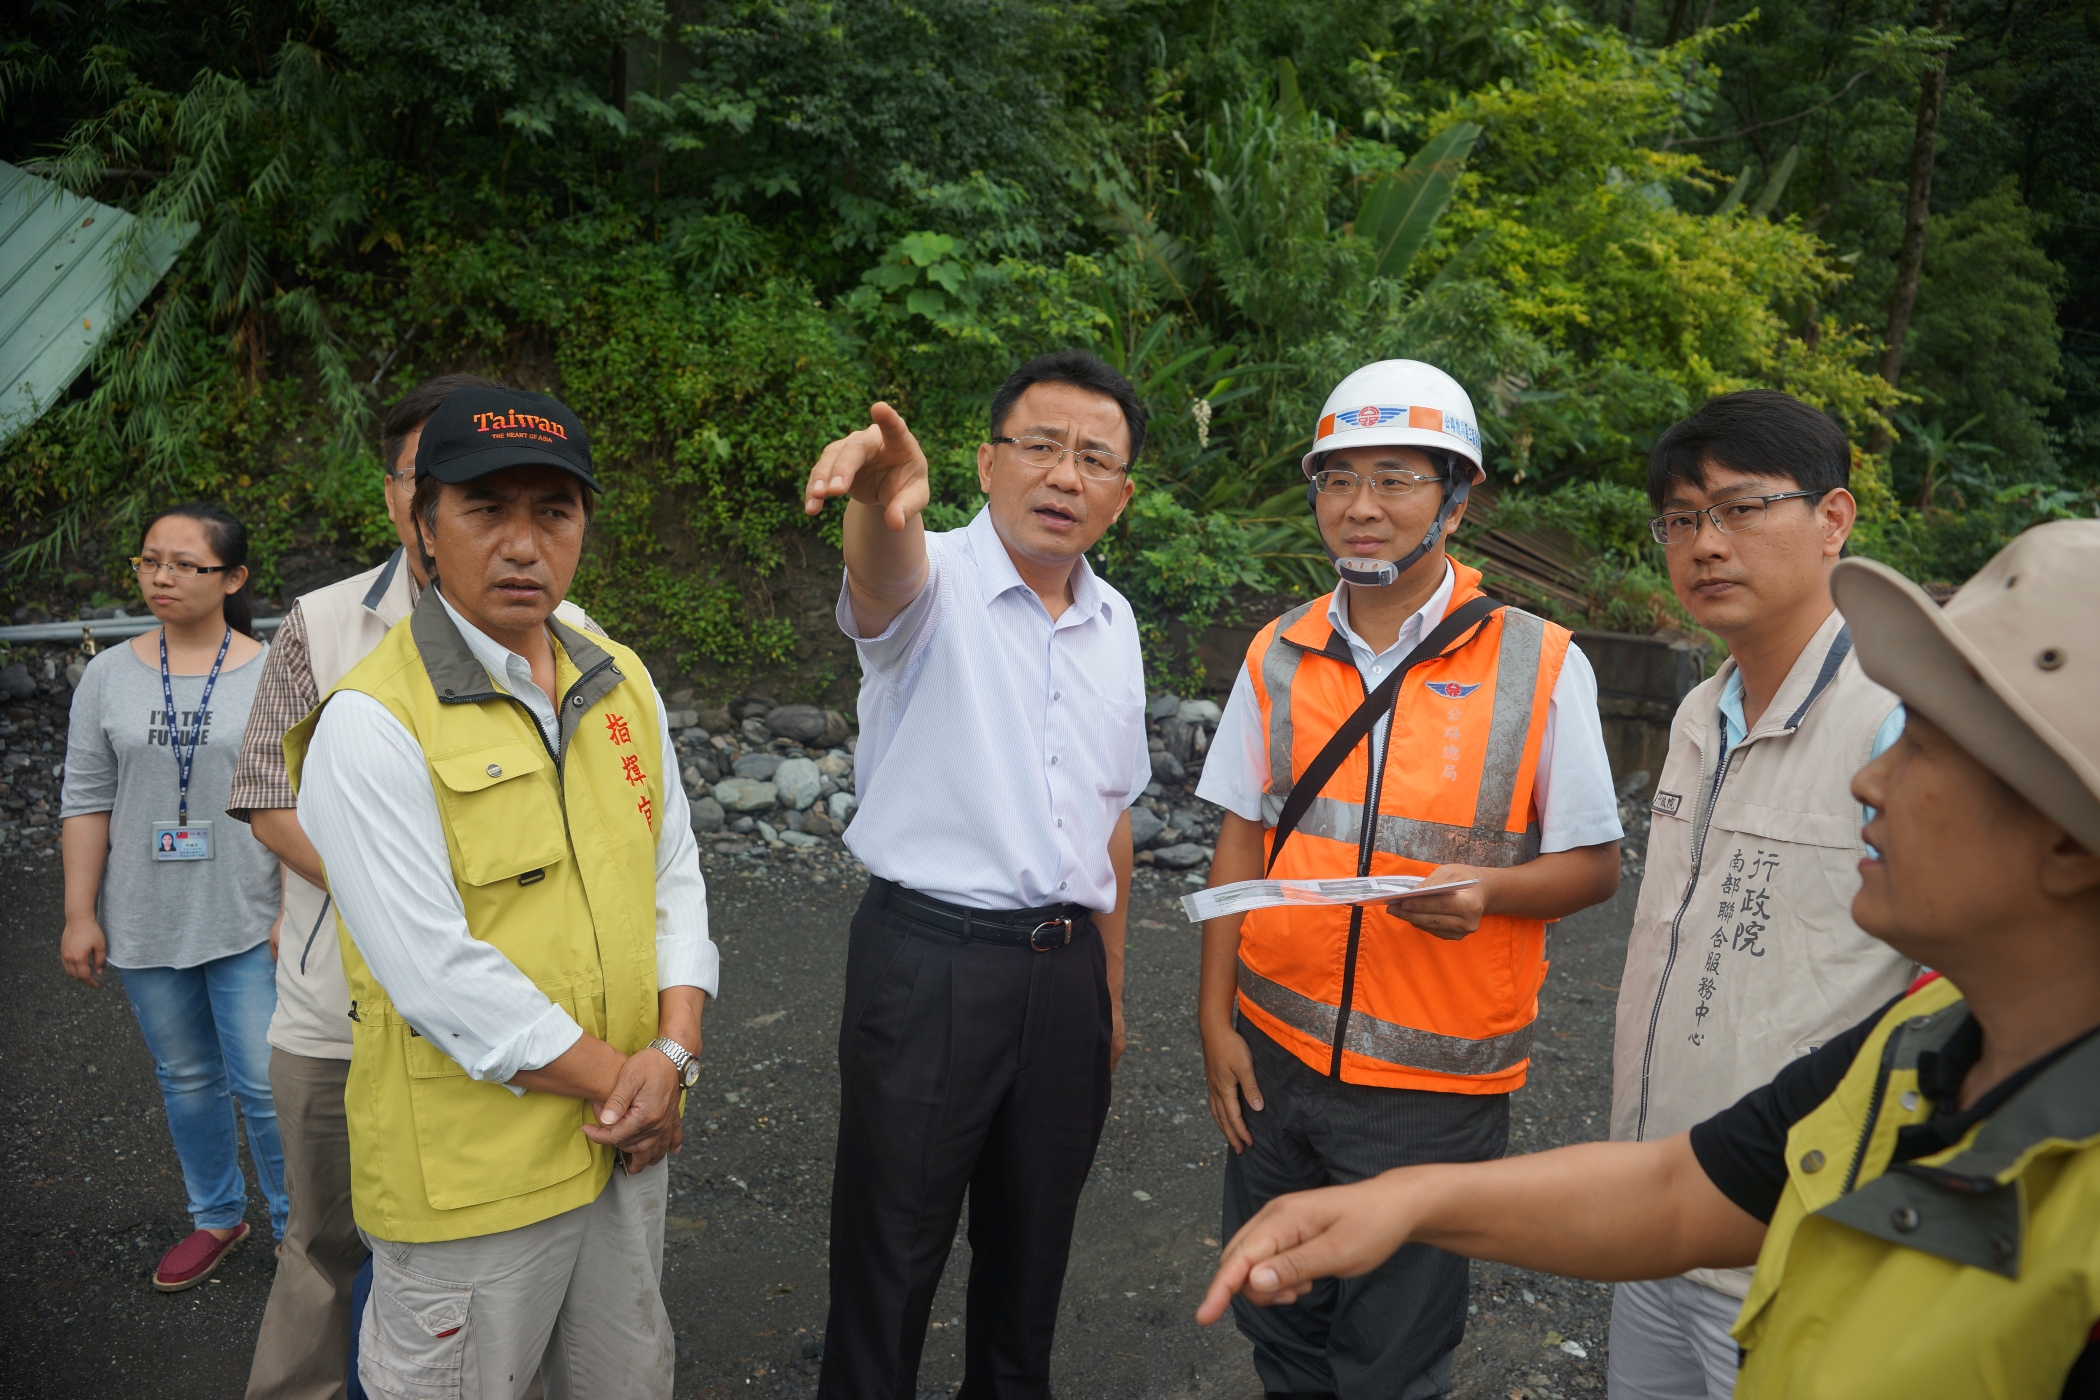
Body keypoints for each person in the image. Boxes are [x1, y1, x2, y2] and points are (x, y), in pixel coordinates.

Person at [1196, 518, 2100, 1398]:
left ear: (2067, 843)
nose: (1869, 779)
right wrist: (1407, 1206)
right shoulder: (1913, 1048)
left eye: (1924, 748)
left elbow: (1588, 872)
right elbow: (1675, 1191)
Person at [1191, 359, 1623, 1399]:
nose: (1361, 508)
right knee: (1279, 1321)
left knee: (1392, 1358)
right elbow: (1240, 844)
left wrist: (1488, 894)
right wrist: (1215, 1022)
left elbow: (1595, 866)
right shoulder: (1279, 651)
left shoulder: (1543, 662)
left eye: (1395, 478)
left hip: (1433, 1088)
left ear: (1456, 497)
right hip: (1279, 1057)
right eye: (1339, 480)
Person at [285, 385, 716, 1400]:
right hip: (474, 1179)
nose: (523, 542)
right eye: (487, 508)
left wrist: (676, 1047)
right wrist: (635, 1076)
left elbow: (674, 870)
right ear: (424, 525)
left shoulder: (617, 678)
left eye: (553, 511)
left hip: (618, 1143)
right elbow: (435, 971)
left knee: (622, 1379)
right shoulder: (372, 721)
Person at [228, 373, 601, 1400]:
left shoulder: (573, 633)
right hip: (335, 1005)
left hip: (508, 1007)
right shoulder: (321, 618)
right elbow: (265, 793)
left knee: (499, 1260)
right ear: (410, 495)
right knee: (322, 1240)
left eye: (539, 501)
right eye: (440, 480)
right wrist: (397, 891)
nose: (511, 527)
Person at [798, 349, 1152, 1399]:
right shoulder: (936, 574)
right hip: (931, 962)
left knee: (1031, 1264)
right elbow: (881, 569)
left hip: (1064, 977)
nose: (1065, 475)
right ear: (987, 462)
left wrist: (1111, 989)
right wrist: (877, 496)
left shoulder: (1115, 622)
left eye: (1095, 459)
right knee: (889, 1263)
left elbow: (1111, 818)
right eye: (1040, 446)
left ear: (1122, 497)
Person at [1607, 390, 1914, 1399]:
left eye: (1741, 509)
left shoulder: (1897, 724)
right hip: (1654, 1213)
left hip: (1805, 1240)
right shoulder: (1702, 708)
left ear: (1835, 518)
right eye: (1683, 518)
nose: (1705, 543)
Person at [59, 502, 288, 1291]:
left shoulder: (273, 671)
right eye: (150, 560)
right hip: (144, 916)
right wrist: (80, 913)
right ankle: (217, 1217)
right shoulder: (106, 675)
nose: (162, 576)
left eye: (185, 564)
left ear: (234, 578)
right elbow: (85, 799)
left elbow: (297, 799)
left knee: (264, 1081)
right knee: (187, 1077)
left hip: (247, 911)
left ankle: (303, 1233)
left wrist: (295, 908)